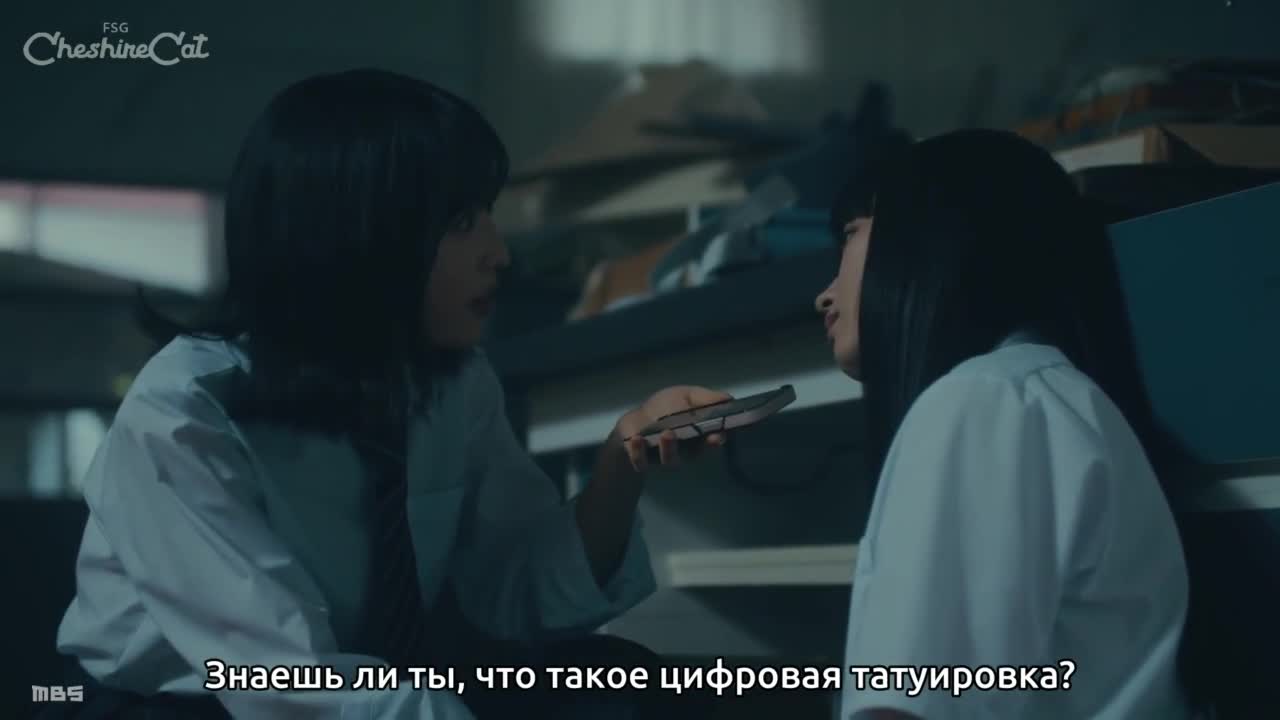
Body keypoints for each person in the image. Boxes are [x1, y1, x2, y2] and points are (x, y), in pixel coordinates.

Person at [49, 68, 727, 719]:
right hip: (197, 706)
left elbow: (516, 589)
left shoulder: (452, 381)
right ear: (359, 232)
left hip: (377, 689)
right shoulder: (186, 408)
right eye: (461, 221)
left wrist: (620, 462)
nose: (500, 253)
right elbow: (288, 684)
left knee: (617, 685)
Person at [814, 129, 1200, 719]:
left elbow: (913, 705)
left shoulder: (983, 401)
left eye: (850, 234)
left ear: (930, 233)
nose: (824, 295)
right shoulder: (1041, 396)